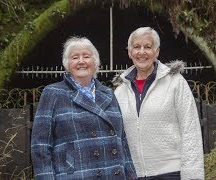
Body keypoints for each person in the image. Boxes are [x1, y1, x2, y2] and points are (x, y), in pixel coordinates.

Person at [31, 37, 137, 180]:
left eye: (86, 56)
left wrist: (131, 175)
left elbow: (122, 140)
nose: (81, 61)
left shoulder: (109, 94)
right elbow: (40, 146)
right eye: (75, 57)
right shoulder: (53, 93)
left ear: (95, 62)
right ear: (67, 64)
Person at [113, 27, 204, 179]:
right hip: (134, 174)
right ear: (129, 52)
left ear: (157, 52)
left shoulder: (175, 82)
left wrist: (192, 176)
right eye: (136, 47)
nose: (142, 52)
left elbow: (190, 131)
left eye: (148, 47)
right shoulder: (120, 90)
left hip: (171, 173)